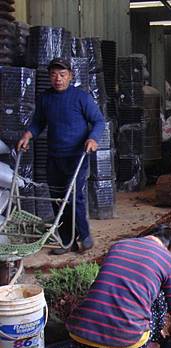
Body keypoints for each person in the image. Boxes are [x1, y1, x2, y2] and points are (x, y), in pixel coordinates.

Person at [66, 223, 171, 348]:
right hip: (123, 347)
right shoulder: (169, 261)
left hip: (79, 338)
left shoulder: (119, 246)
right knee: (159, 298)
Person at [16, 57, 105, 255]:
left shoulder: (81, 97)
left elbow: (98, 121)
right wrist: (27, 135)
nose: (58, 79)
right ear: (49, 77)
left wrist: (93, 139)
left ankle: (84, 237)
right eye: (54, 75)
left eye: (62, 75)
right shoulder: (45, 98)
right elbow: (38, 122)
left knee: (74, 197)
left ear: (70, 76)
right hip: (54, 157)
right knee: (57, 199)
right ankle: (67, 241)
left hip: (77, 156)